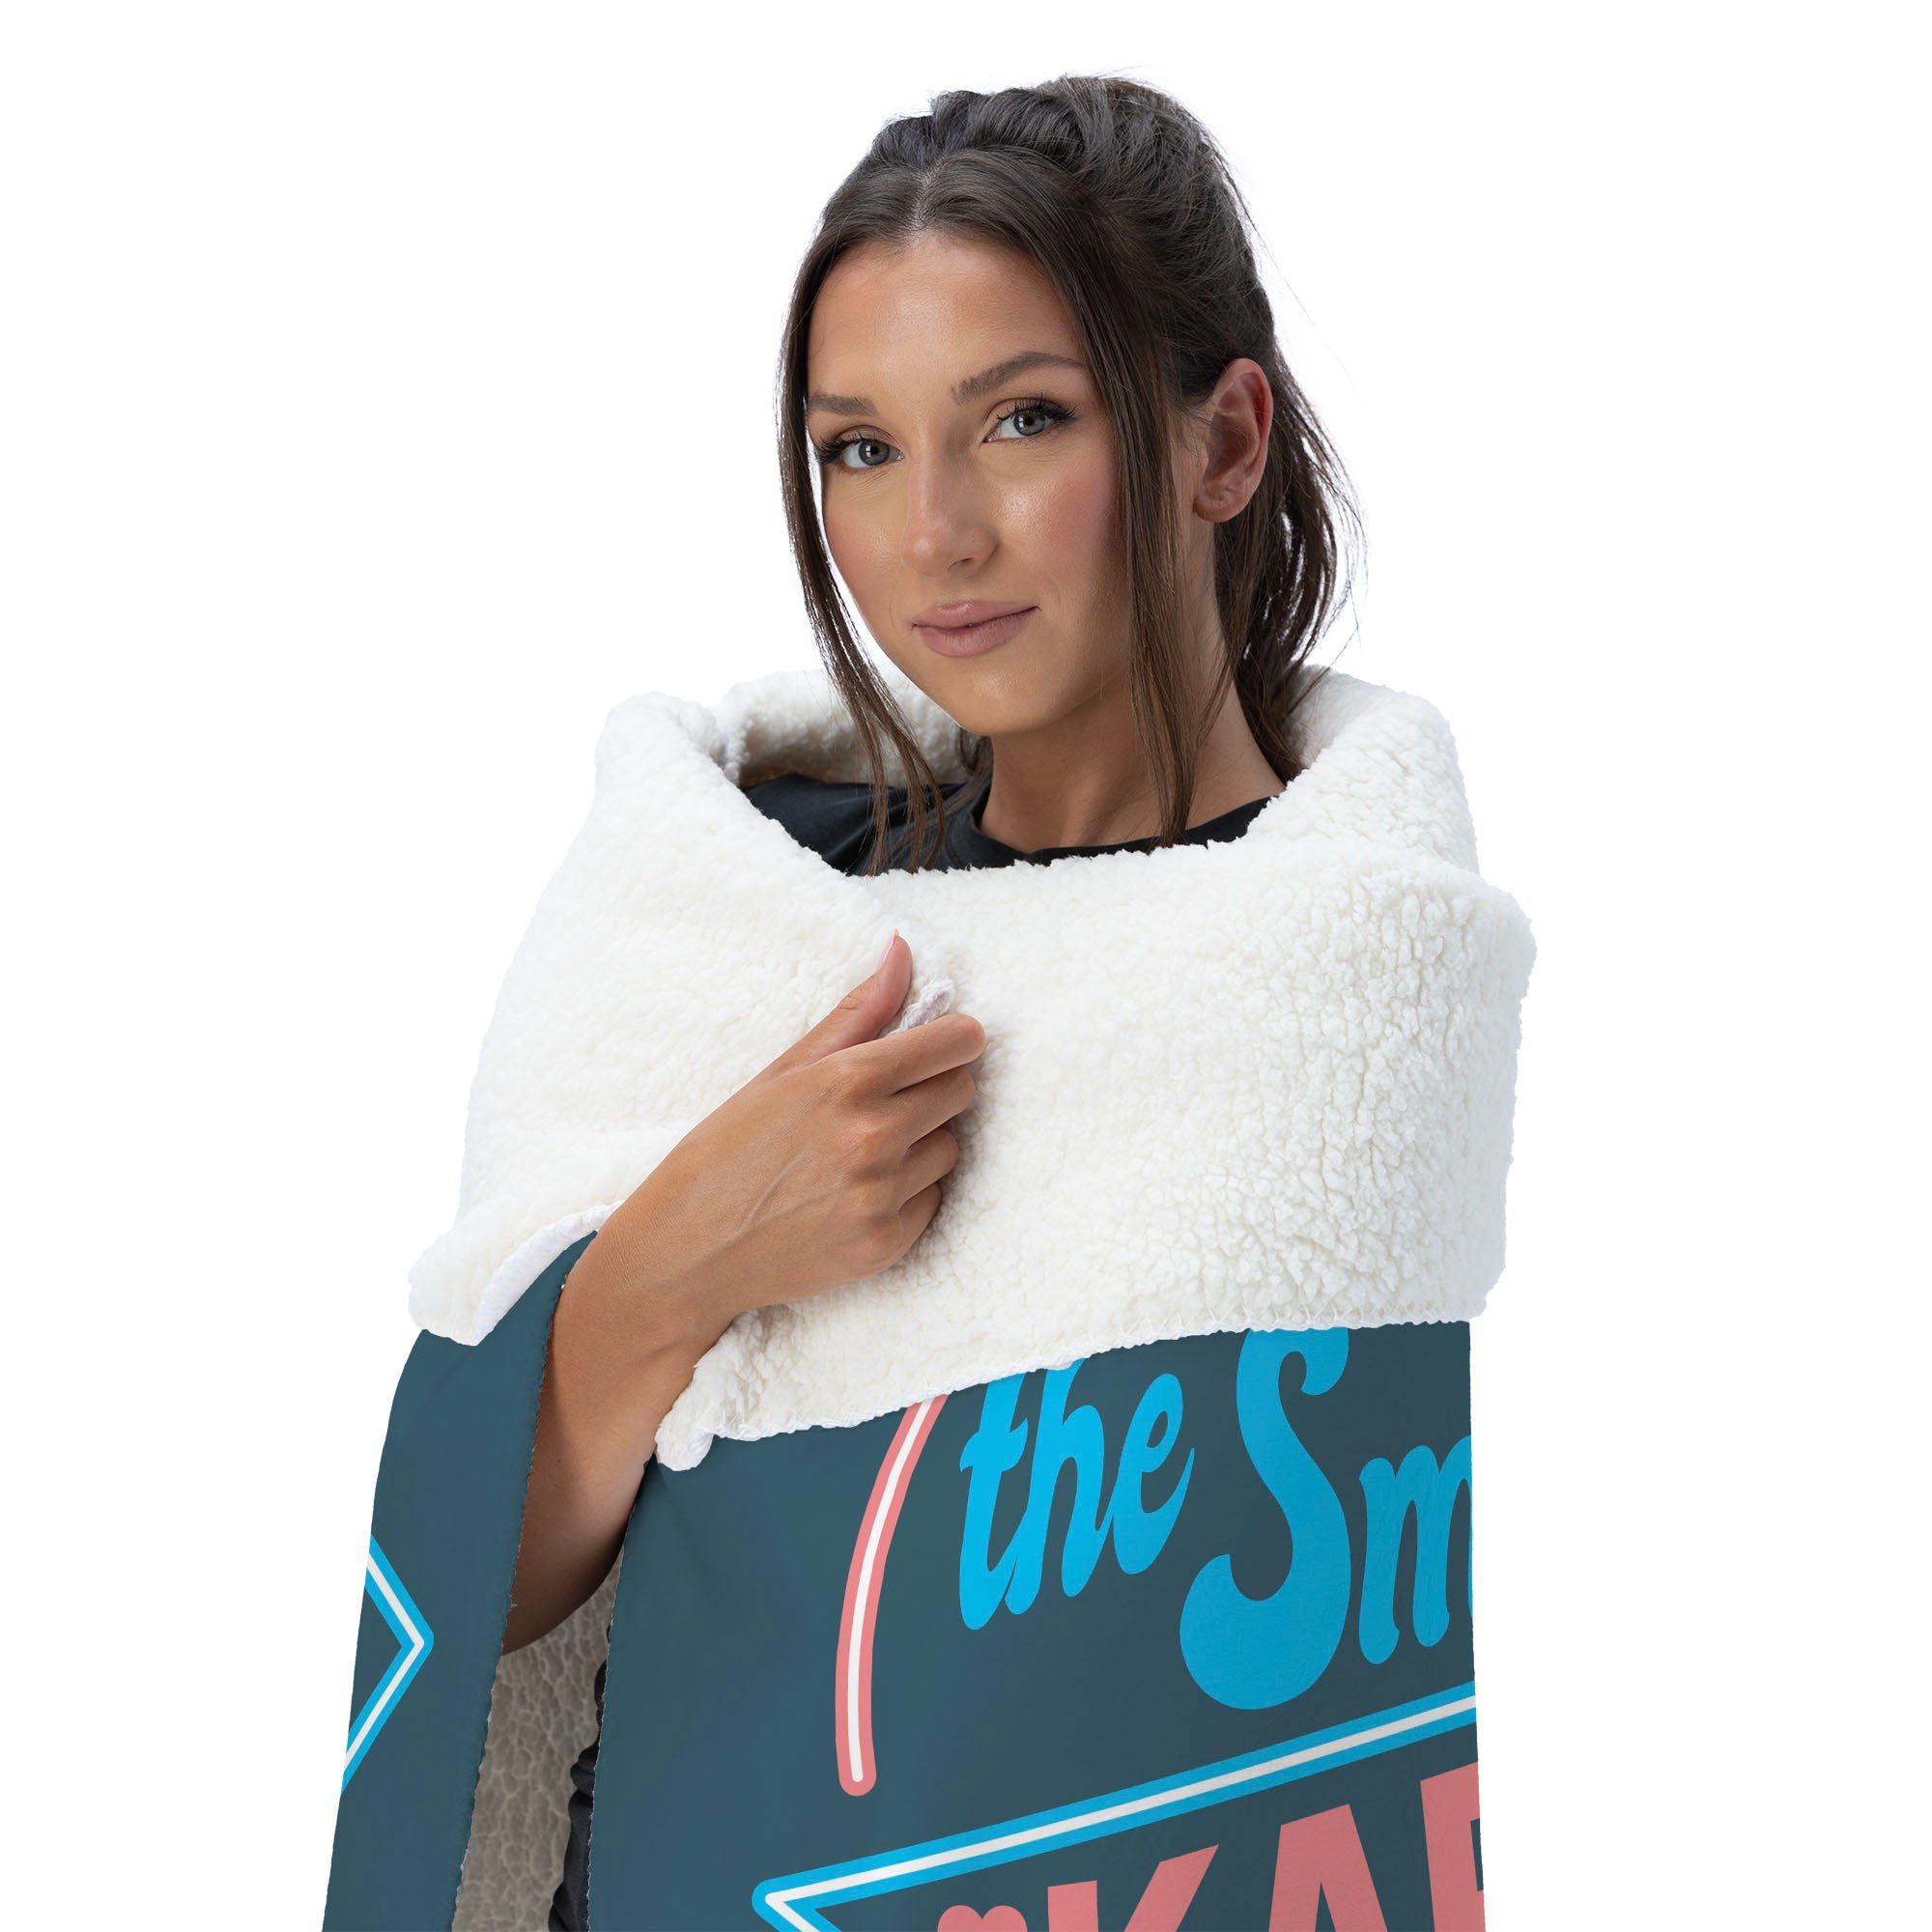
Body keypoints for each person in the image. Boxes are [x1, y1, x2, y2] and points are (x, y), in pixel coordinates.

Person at [321, 71, 1524, 1931]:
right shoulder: (743, 915)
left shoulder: (1350, 963)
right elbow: (481, 1604)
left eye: (1023, 421)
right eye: (860, 450)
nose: (932, 535)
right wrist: (680, 1258)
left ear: (1223, 445)